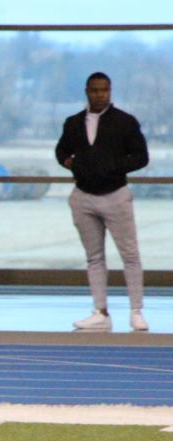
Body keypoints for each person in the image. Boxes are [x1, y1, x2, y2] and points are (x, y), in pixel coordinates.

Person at [55, 72, 150, 332]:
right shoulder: (73, 123)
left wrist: (114, 166)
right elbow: (61, 150)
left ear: (110, 91)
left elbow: (142, 157)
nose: (100, 94)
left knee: (130, 256)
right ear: (87, 91)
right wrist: (70, 163)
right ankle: (100, 311)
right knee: (94, 258)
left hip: (116, 195)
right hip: (83, 197)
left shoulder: (125, 122)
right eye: (95, 90)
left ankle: (136, 311)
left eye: (104, 90)